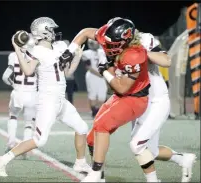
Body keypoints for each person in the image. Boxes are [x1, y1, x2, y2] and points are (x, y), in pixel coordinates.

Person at [0, 17, 91, 177]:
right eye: (51, 29)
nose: (54, 32)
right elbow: (29, 71)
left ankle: (80, 163)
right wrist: (17, 49)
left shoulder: (59, 47)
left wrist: (78, 57)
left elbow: (66, 73)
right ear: (43, 32)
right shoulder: (36, 51)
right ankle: (3, 159)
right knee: (39, 140)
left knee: (82, 128)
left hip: (60, 100)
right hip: (48, 100)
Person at [59, 17, 151, 182]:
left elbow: (122, 87)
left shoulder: (135, 54)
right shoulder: (109, 36)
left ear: (125, 41)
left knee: (102, 125)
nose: (107, 47)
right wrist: (69, 51)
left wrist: (105, 71)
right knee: (91, 138)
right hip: (119, 96)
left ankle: (95, 172)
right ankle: (100, 175)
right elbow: (85, 32)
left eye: (113, 45)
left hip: (135, 99)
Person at [129, 31, 196, 182]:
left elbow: (166, 60)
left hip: (156, 101)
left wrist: (142, 53)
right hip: (139, 103)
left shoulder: (144, 39)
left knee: (137, 145)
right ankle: (183, 159)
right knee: (149, 151)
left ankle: (153, 181)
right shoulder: (113, 49)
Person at [2, 35, 37, 159]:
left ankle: (11, 143)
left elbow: (5, 77)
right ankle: (25, 150)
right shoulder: (37, 56)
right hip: (32, 94)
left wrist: (14, 85)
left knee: (13, 117)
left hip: (18, 92)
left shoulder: (13, 56)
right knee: (29, 124)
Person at [82, 39, 108, 118]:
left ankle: (98, 111)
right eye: (91, 42)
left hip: (102, 76)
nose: (92, 44)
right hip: (92, 76)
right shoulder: (86, 53)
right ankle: (94, 112)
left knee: (102, 96)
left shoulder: (103, 52)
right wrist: (99, 74)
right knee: (92, 94)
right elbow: (88, 67)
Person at [63, 39, 77, 104]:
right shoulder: (58, 53)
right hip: (62, 78)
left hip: (70, 78)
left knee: (70, 95)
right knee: (62, 95)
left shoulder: (72, 53)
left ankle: (70, 108)